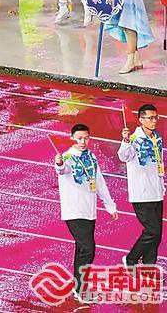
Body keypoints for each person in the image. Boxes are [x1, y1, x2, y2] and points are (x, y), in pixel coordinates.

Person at [55, 123, 118, 299]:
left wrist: (110, 206)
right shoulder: (67, 157)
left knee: (82, 249)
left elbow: (100, 182)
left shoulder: (91, 157)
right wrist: (59, 163)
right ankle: (81, 289)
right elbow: (62, 169)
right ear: (72, 138)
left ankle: (79, 287)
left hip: (89, 210)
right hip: (74, 211)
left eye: (86, 138)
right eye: (79, 138)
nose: (83, 142)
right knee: (88, 248)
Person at [118, 105, 164, 267]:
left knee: (156, 235)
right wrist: (125, 141)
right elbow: (123, 156)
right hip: (142, 194)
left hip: (157, 192)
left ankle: (148, 267)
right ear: (141, 120)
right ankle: (130, 259)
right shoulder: (134, 139)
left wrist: (162, 186)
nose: (154, 121)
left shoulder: (156, 137)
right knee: (153, 231)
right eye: (150, 118)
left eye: (155, 117)